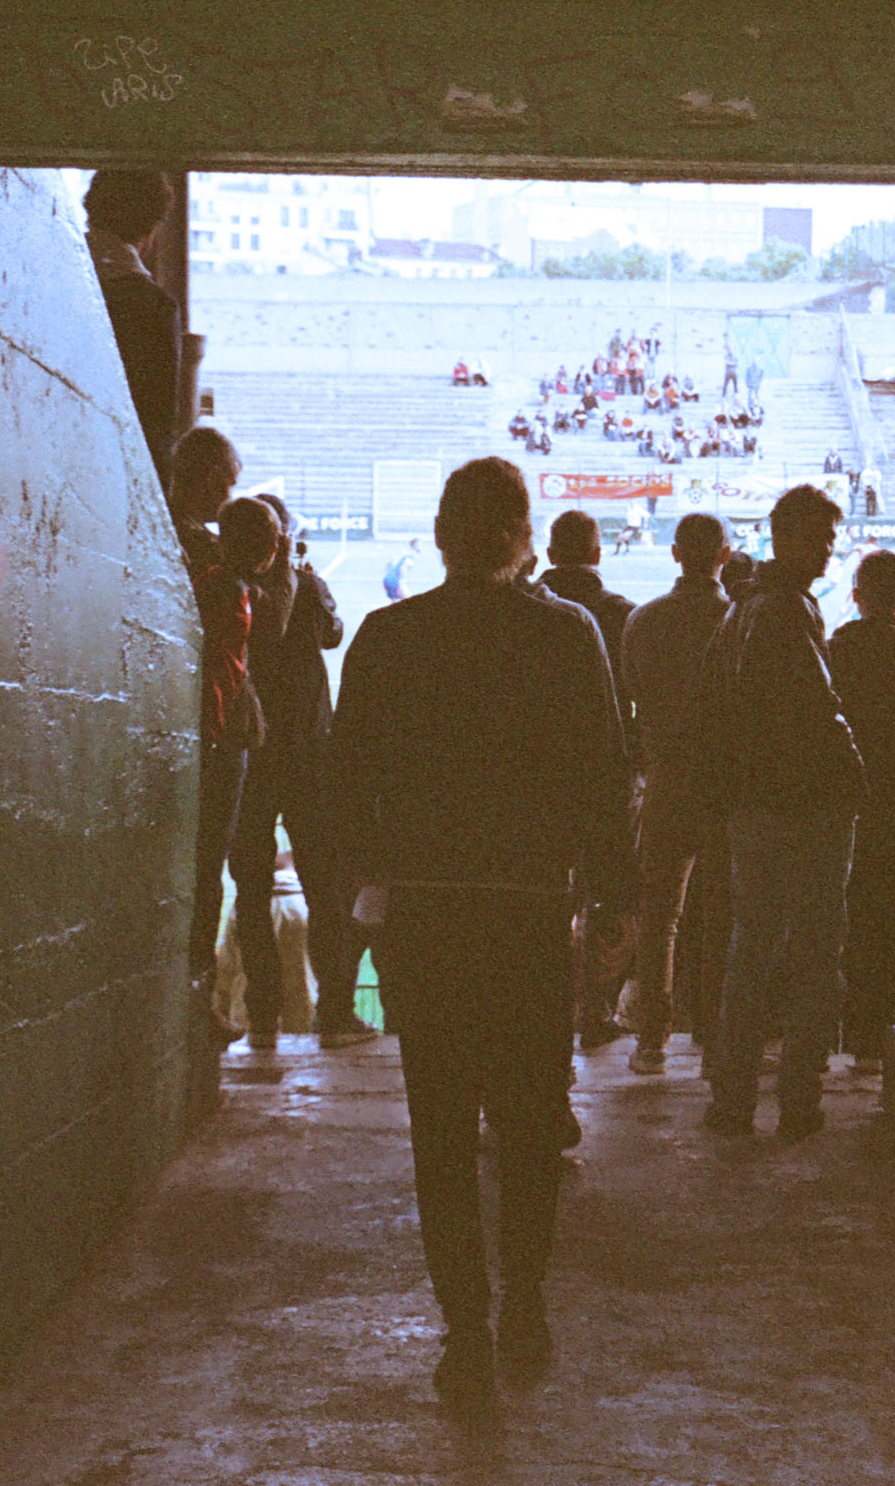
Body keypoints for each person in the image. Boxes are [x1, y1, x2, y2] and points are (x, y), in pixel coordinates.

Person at [327, 458, 631, 1407]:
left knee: (442, 1129)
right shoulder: (567, 632)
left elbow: (349, 788)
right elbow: (602, 774)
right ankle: (527, 1300)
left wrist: (374, 891)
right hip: (529, 911)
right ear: (522, 532)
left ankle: (465, 1326)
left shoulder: (386, 636)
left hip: (429, 913)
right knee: (532, 1122)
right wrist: (614, 899)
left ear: (444, 531)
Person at [697, 485, 862, 1141]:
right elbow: (817, 714)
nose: (828, 551)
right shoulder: (788, 611)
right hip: (807, 807)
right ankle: (800, 1097)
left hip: (754, 809)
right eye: (821, 538)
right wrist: (855, 774)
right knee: (817, 954)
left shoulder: (742, 610)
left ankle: (732, 1097)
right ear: (788, 537)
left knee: (751, 952)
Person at [231, 495, 378, 1053]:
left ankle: (263, 1016)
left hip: (251, 755)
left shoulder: (228, 590)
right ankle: (334, 1009)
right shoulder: (307, 589)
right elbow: (333, 634)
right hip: (308, 756)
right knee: (327, 889)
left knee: (250, 891)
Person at [170, 430, 291, 1061]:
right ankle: (200, 999)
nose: (226, 493)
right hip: (218, 734)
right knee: (211, 872)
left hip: (210, 729)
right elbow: (276, 624)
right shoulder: (218, 569)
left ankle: (199, 996)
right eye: (224, 480)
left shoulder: (195, 554)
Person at [617, 514, 735, 1075]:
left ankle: (651, 1041)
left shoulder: (643, 621)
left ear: (673, 554)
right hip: (724, 783)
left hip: (666, 779)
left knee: (660, 912)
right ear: (726, 556)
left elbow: (633, 694)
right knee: (722, 912)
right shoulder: (737, 621)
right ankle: (715, 1038)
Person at [537, 511, 637, 1051]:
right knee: (604, 896)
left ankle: (542, 1007)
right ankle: (596, 1006)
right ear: (598, 554)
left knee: (543, 897)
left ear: (551, 554)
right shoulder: (621, 614)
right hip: (605, 774)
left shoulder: (524, 615)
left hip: (534, 777)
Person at [828, 550, 895, 1071]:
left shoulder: (835, 649)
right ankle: (874, 1038)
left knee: (841, 921)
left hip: (847, 802)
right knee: (889, 920)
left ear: (855, 595)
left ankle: (834, 1036)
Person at [85, 170, 185, 469]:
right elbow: (155, 429)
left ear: (90, 210)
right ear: (152, 229)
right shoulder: (154, 309)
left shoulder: (44, 286)